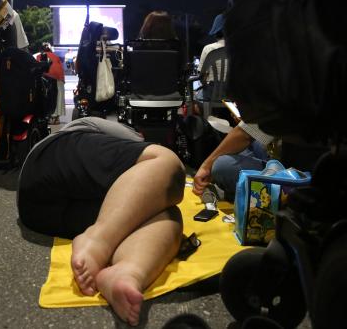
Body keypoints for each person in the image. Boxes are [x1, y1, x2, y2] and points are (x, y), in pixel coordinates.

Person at [18, 117, 185, 326]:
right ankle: (96, 242)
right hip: (50, 157)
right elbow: (152, 159)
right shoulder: (122, 133)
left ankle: (127, 272)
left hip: (37, 212)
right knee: (169, 165)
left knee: (169, 214)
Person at [192, 122, 273, 202]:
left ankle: (236, 195)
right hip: (272, 154)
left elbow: (245, 133)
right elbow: (249, 129)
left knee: (222, 165)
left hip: (283, 171)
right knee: (253, 143)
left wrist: (206, 166)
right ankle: (234, 190)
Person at [36, 42, 65, 125]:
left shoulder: (39, 56)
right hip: (59, 78)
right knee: (59, 96)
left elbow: (38, 68)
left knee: (47, 96)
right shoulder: (56, 57)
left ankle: (50, 115)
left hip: (47, 77)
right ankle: (56, 117)